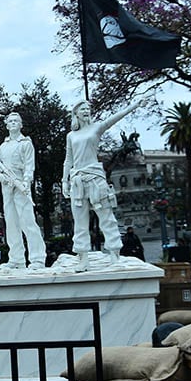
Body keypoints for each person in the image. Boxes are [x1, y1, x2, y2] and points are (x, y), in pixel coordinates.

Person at [62, 99, 142, 270]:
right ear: (76, 113)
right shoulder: (71, 135)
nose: (86, 111)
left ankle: (114, 254)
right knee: (80, 221)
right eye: (82, 108)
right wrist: (64, 181)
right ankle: (83, 257)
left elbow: (113, 118)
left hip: (95, 178)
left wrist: (133, 106)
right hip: (77, 180)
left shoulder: (96, 128)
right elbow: (68, 159)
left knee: (106, 217)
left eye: (88, 108)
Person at [0, 111, 47, 270]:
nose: (14, 123)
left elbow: (30, 166)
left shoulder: (25, 143)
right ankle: (16, 259)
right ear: (7, 125)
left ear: (21, 124)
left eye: (17, 120)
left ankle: (37, 258)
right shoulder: (3, 146)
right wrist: (2, 177)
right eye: (11, 121)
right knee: (11, 223)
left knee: (28, 222)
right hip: (6, 187)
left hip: (21, 185)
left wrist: (25, 183)